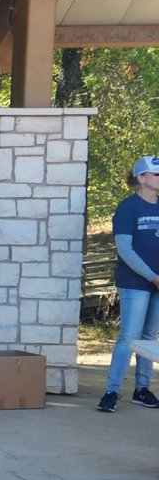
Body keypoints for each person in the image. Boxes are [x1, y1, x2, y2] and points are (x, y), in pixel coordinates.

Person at [97, 156, 159, 413]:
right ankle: (111, 391)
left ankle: (142, 389)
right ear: (141, 178)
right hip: (135, 282)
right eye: (156, 174)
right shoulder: (127, 208)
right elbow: (125, 249)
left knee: (149, 338)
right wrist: (152, 276)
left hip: (157, 282)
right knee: (129, 337)